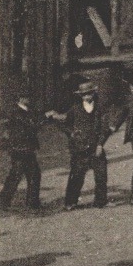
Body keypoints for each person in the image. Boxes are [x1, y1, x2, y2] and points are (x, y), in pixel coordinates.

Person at [48, 80, 112, 210]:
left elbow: (104, 129)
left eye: (89, 94)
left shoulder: (100, 108)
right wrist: (71, 134)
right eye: (83, 95)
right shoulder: (75, 109)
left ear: (93, 93)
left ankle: (101, 201)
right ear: (80, 96)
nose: (86, 97)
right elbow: (64, 121)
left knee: (101, 175)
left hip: (95, 147)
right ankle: (70, 202)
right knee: (76, 176)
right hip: (80, 148)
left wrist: (100, 144)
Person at [0, 92, 43, 211]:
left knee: (32, 175)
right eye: (27, 97)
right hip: (20, 149)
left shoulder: (26, 110)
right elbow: (32, 125)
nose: (30, 99)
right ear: (20, 99)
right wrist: (46, 117)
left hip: (25, 148)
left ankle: (32, 203)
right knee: (17, 175)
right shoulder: (17, 112)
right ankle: (4, 202)